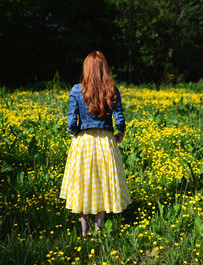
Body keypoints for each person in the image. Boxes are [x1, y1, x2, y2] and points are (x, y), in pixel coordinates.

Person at [59, 51, 132, 237]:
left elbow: (70, 120)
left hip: (83, 142)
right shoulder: (112, 90)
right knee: (103, 183)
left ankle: (84, 230)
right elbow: (120, 118)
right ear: (104, 69)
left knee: (82, 183)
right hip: (105, 142)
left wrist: (74, 132)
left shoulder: (77, 90)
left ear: (86, 69)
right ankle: (99, 229)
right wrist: (120, 133)